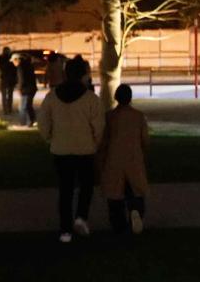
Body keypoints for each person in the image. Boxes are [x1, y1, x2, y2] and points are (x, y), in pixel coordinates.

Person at [38, 56, 104, 243]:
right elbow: (99, 127)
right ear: (83, 75)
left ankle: (65, 230)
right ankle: (81, 217)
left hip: (61, 150)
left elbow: (43, 123)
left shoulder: (52, 97)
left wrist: (50, 138)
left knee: (65, 190)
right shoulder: (91, 99)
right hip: (85, 150)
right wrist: (95, 143)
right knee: (86, 187)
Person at [98, 83, 151, 235]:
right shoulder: (138, 116)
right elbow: (145, 140)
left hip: (114, 159)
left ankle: (118, 224)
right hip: (133, 158)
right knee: (135, 190)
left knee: (115, 194)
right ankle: (136, 211)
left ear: (116, 98)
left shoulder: (109, 117)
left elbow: (104, 141)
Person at [0, 50, 18, 117]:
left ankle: (6, 109)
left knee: (4, 95)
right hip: (10, 80)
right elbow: (15, 69)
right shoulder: (12, 59)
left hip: (4, 79)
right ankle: (9, 109)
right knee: (10, 95)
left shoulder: (0, 58)